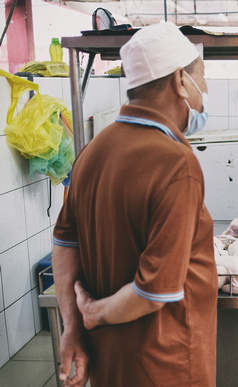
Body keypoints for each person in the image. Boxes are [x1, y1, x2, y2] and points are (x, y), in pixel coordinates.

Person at [51, 22, 217, 387]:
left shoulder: (93, 151)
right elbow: (154, 290)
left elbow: (65, 243)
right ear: (179, 81)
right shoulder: (176, 162)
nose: (204, 91)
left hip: (110, 364)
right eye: (201, 78)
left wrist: (72, 329)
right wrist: (94, 314)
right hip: (168, 366)